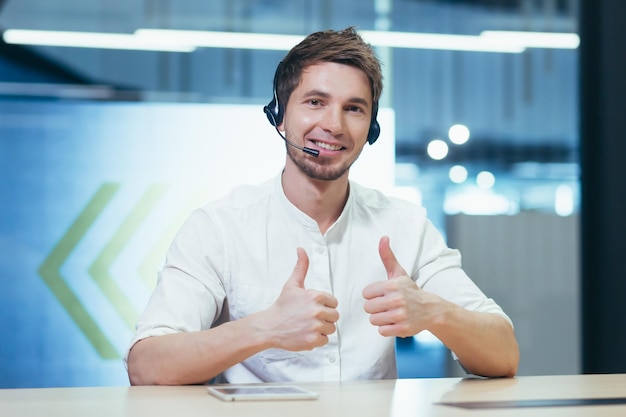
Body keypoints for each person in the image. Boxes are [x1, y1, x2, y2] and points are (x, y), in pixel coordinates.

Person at [126, 27, 519, 385]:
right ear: (279, 116)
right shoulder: (218, 227)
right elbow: (146, 366)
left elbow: (503, 354)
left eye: (354, 108)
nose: (333, 125)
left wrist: (434, 312)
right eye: (315, 102)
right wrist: (265, 328)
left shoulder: (405, 225)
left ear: (372, 129)